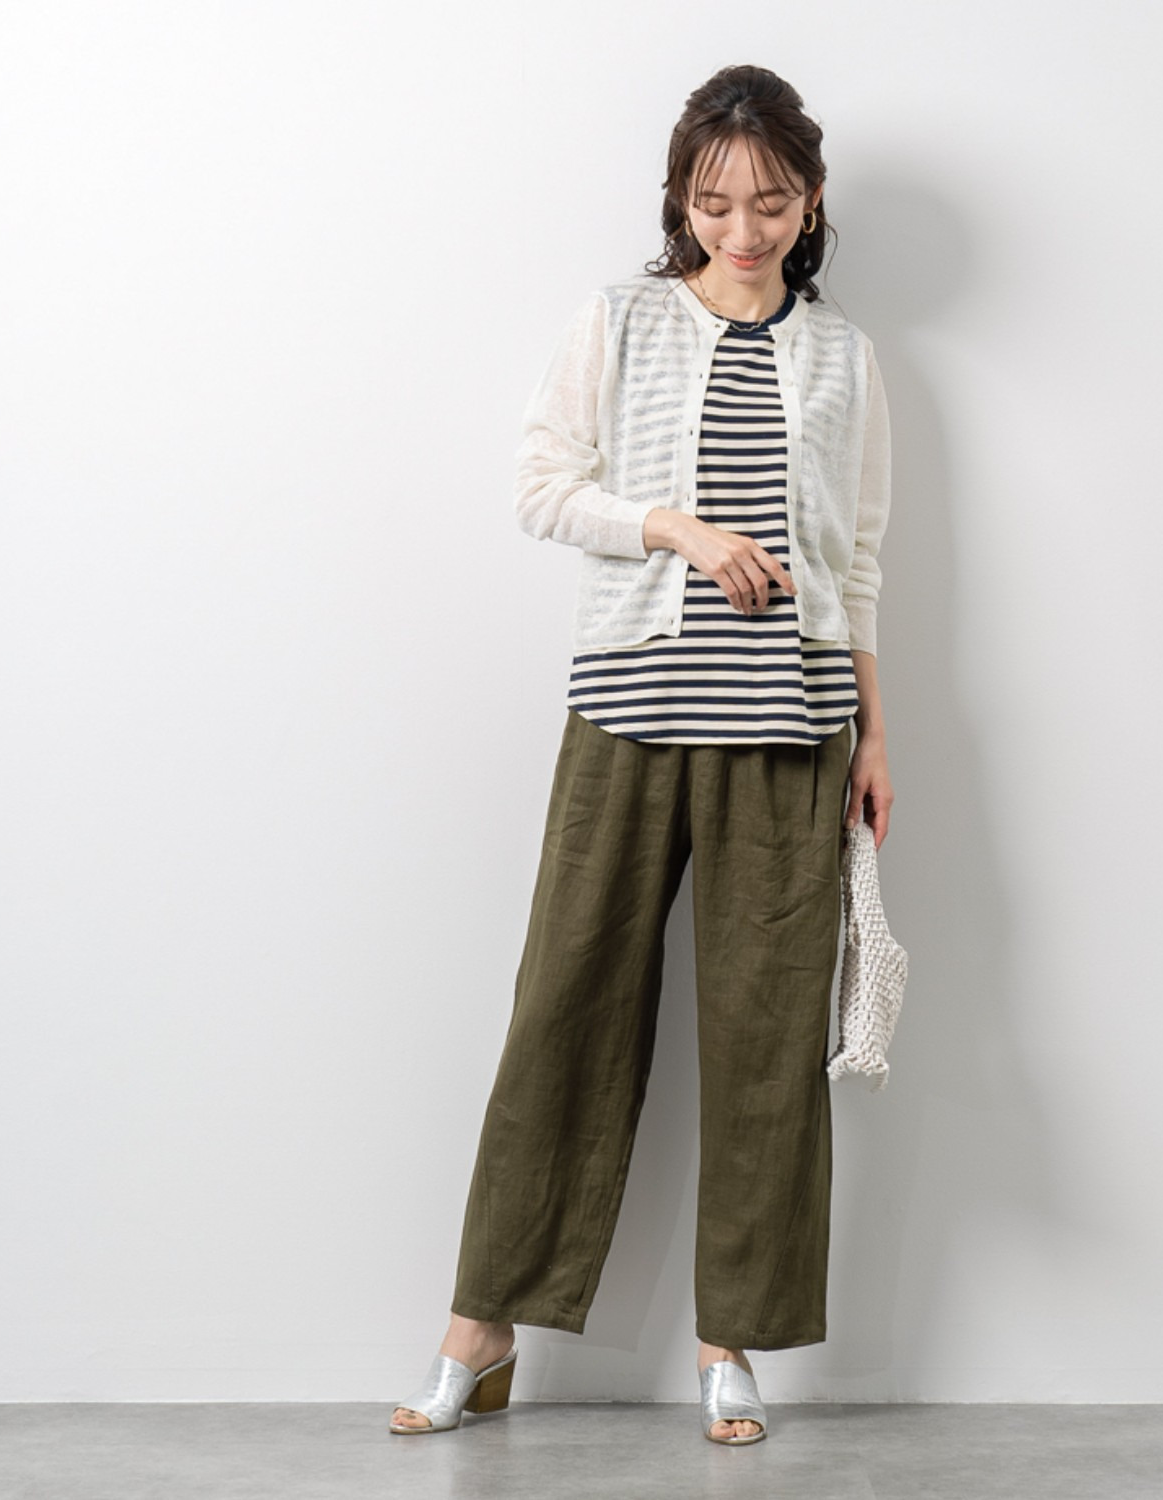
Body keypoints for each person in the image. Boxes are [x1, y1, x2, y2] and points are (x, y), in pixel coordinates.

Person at [390, 62, 894, 1446]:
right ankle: (481, 1330)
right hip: (629, 711)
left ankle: (731, 1346)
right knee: (565, 1007)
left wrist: (874, 732)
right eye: (715, 201)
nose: (744, 228)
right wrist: (677, 529)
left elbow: (858, 559)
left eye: (772, 202)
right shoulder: (619, 320)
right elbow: (541, 488)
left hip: (790, 728)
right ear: (680, 199)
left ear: (811, 202)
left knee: (764, 1037)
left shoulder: (844, 356)